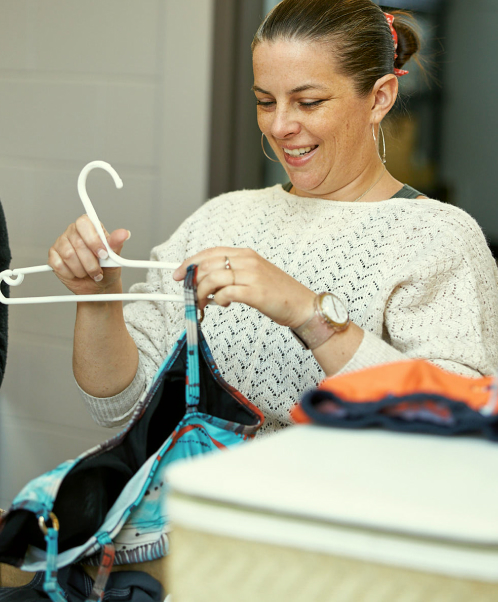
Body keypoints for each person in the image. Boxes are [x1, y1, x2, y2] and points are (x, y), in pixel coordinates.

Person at [48, 0, 498, 436]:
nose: (280, 126)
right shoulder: (221, 217)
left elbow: (454, 422)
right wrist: (99, 298)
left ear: (379, 98)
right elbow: (120, 404)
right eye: (266, 101)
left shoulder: (438, 238)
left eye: (308, 102)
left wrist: (307, 312)